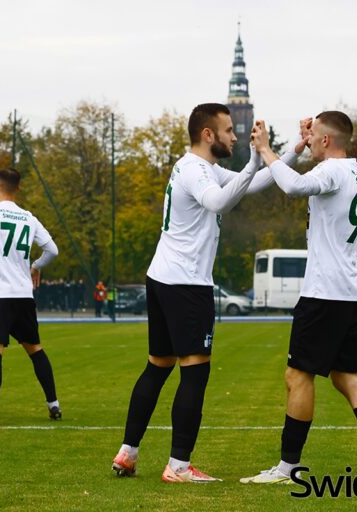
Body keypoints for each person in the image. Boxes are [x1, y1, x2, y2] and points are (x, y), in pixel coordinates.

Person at [111, 103, 280, 483]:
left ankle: (128, 452)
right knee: (195, 374)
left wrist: (290, 152)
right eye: (228, 130)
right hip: (186, 284)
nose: (234, 137)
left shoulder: (202, 167)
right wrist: (254, 160)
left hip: (165, 278)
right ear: (208, 135)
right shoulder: (194, 169)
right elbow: (219, 200)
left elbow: (249, 185)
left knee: (158, 367)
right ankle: (179, 466)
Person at [239, 113, 357, 484]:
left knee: (297, 375)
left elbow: (293, 187)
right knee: (347, 377)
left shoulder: (332, 171)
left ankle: (287, 467)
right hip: (353, 291)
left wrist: (265, 151)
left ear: (327, 142)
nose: (309, 143)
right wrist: (304, 140)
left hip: (324, 292)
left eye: (314, 138)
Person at [0, 168, 61, 425]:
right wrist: (36, 266)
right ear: (17, 189)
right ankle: (53, 404)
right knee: (35, 349)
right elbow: (52, 250)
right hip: (23, 294)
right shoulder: (29, 218)